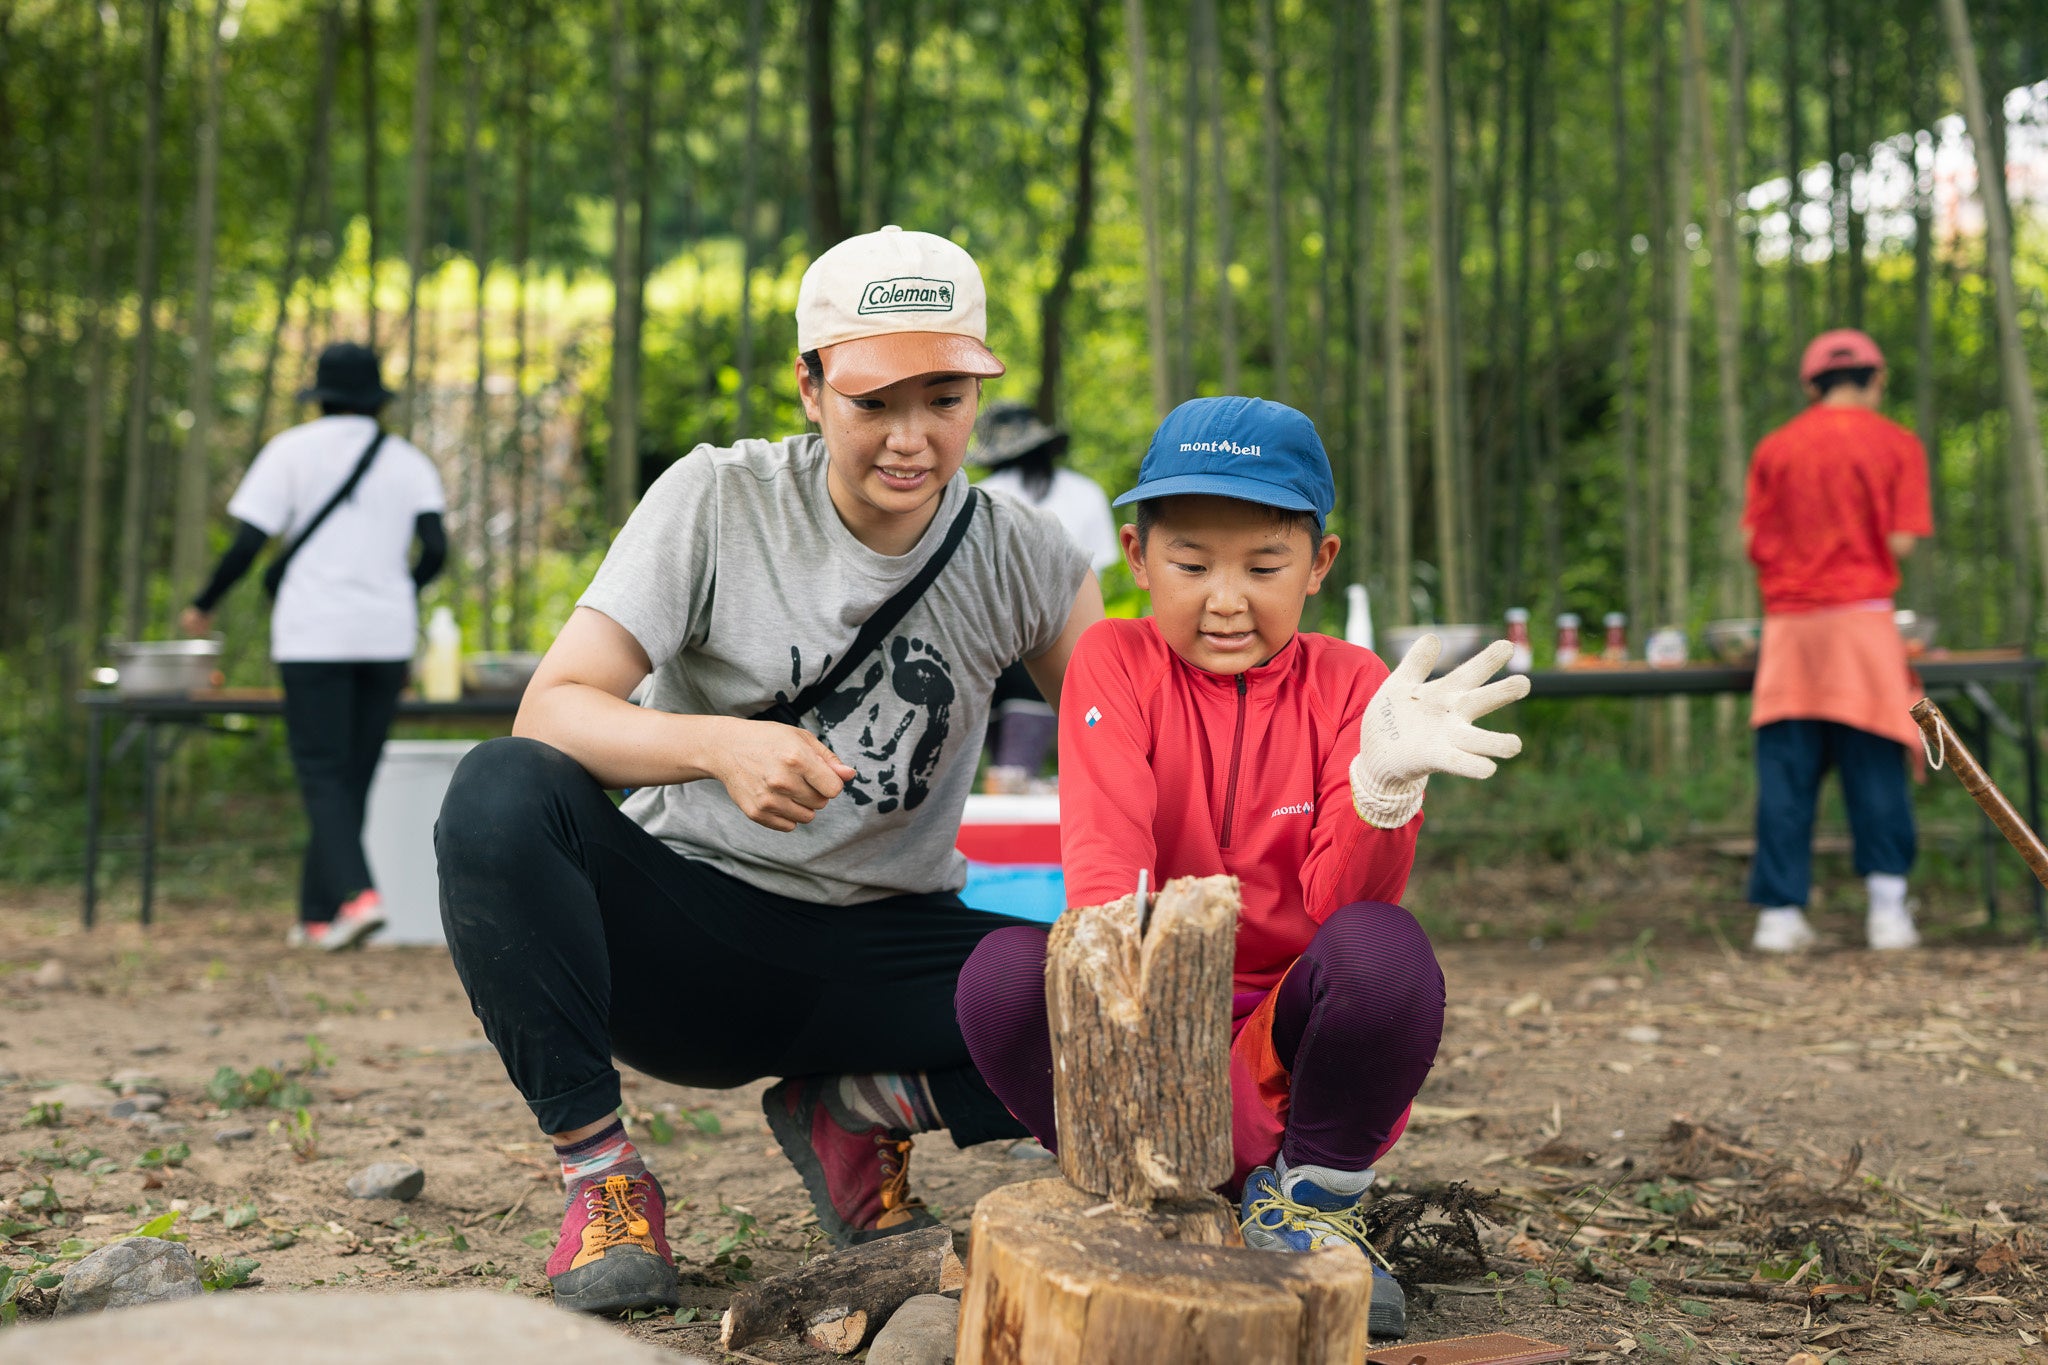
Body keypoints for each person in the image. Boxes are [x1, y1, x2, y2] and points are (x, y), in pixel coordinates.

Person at [431, 226, 1103, 1315]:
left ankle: (858, 1111)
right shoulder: (715, 500)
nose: (911, 438)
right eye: (872, 401)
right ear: (808, 386)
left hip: (894, 957)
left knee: (1119, 991)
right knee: (499, 790)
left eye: (943, 398)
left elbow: (1133, 750)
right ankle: (602, 1177)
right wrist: (717, 745)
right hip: (696, 942)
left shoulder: (1026, 555)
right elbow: (551, 709)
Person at [952, 396, 1530, 1339]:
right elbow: (1108, 863)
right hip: (1142, 1046)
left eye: (1264, 566)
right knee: (999, 976)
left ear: (1319, 565)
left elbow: (1345, 906)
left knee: (1384, 949)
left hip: (1288, 1048)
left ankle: (1312, 1200)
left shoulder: (1348, 684)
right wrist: (1147, 1067)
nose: (1227, 598)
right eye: (1190, 564)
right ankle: (1141, 1188)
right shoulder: (1115, 659)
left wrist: (1382, 786)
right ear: (1137, 559)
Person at [180, 342, 447, 950]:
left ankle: (359, 897)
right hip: (385, 637)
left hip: (314, 636)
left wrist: (204, 602)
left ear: (320, 396)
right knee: (351, 774)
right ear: (377, 401)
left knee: (322, 771)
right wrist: (397, 591)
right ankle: (316, 917)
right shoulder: (408, 462)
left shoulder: (289, 453)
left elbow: (248, 544)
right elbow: (436, 550)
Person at [1742, 329, 1932, 954]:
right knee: (1875, 767)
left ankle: (1778, 916)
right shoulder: (1897, 443)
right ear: (1877, 379)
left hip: (1791, 634)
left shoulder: (1776, 447)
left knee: (1786, 775)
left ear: (1810, 386)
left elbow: (1755, 545)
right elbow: (1902, 542)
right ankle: (1888, 915)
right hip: (1863, 630)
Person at [970, 402, 1120, 787]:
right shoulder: (1086, 493)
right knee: (1025, 764)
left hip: (986, 640)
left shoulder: (981, 495)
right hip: (1056, 638)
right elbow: (1092, 577)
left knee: (994, 764)